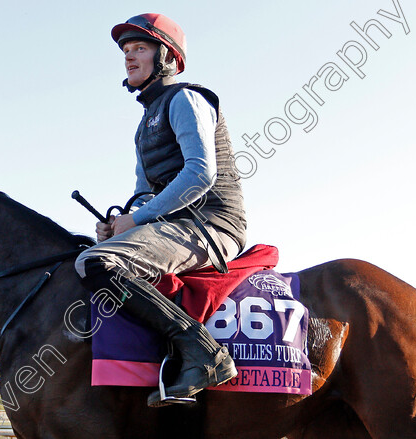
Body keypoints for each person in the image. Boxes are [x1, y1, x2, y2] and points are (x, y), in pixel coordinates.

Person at [74, 13, 247, 407]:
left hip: (212, 224)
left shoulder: (186, 98)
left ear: (166, 56)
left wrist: (134, 220)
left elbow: (200, 174)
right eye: (126, 51)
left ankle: (204, 354)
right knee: (98, 252)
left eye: (140, 48)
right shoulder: (143, 124)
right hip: (178, 225)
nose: (129, 58)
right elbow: (142, 196)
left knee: (95, 264)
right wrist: (117, 226)